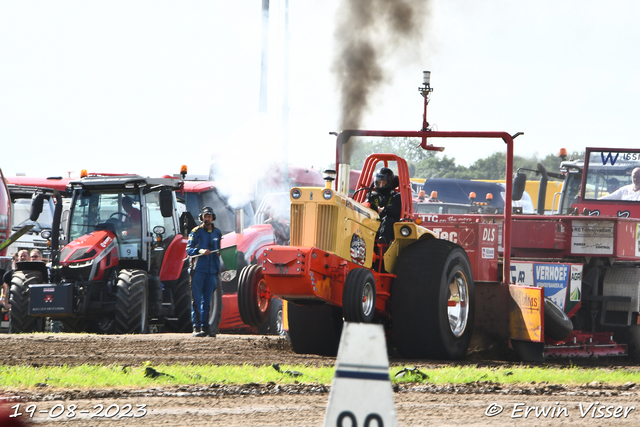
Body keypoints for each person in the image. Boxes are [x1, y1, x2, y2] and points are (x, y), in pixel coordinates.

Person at [186, 206, 221, 337]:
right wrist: (200, 251)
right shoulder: (195, 232)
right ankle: (196, 327)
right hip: (198, 270)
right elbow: (188, 250)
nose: (207, 219)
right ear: (202, 218)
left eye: (209, 216)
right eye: (205, 217)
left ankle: (206, 328)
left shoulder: (218, 233)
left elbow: (218, 252)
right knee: (196, 300)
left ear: (213, 218)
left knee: (207, 300)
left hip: (212, 271)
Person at [366, 167, 402, 245]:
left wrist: (385, 209)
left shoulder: (395, 196)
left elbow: (394, 208)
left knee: (387, 220)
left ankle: (383, 240)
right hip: (373, 220)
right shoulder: (371, 195)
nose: (381, 185)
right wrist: (374, 208)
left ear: (389, 182)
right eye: (379, 182)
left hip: (390, 224)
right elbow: (366, 205)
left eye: (384, 183)